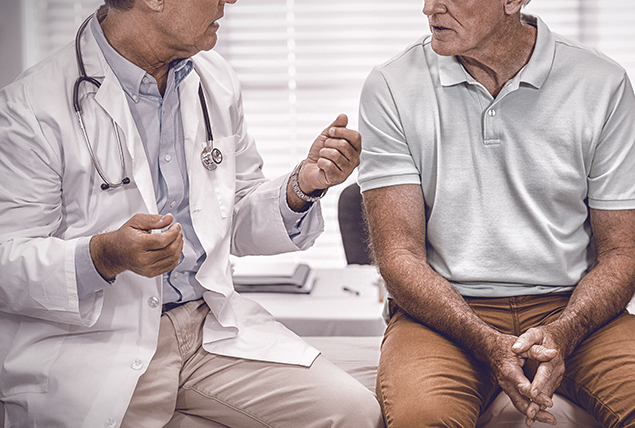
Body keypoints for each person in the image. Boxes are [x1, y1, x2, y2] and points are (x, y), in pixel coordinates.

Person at [0, 0, 384, 427]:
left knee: (354, 414)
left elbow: (232, 215)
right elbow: (6, 259)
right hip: (95, 344)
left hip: (206, 326)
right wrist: (103, 256)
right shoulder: (30, 107)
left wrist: (302, 186)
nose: (231, 1)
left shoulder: (212, 80)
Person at [358, 0, 635, 426]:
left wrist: (565, 331)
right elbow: (399, 255)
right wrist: (486, 341)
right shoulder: (391, 85)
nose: (429, 7)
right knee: (422, 418)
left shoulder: (602, 83)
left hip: (573, 306)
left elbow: (623, 253)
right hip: (443, 314)